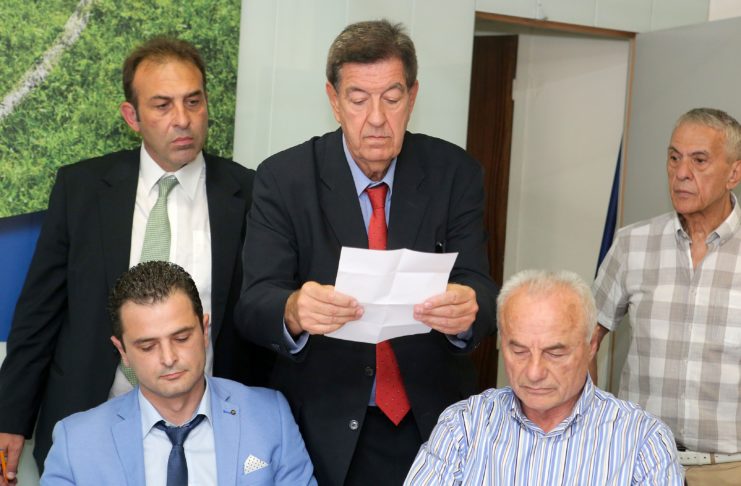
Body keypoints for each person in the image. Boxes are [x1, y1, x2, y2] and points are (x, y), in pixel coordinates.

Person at [236, 19, 498, 486]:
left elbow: (482, 288)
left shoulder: (454, 173)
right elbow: (254, 303)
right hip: (323, 423)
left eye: (391, 98)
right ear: (334, 101)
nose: (376, 118)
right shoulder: (284, 179)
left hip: (433, 424)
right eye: (358, 99)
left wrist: (468, 308)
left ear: (412, 97)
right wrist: (294, 309)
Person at [0, 36, 270, 482]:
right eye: (162, 105)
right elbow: (39, 314)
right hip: (90, 421)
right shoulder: (81, 189)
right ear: (132, 116)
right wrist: (10, 417)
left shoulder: (251, 193)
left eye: (193, 101)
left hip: (211, 432)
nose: (182, 119)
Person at [40, 261, 315, 485]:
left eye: (181, 338)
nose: (169, 358)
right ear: (122, 351)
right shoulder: (76, 442)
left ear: (204, 331)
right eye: (147, 346)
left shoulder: (270, 415)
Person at [405, 269, 683, 485]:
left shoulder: (643, 440)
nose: (534, 372)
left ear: (591, 345)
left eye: (555, 353)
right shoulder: (463, 427)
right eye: (519, 351)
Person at [592, 108, 741, 485]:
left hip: (730, 469)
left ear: (734, 173)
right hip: (640, 460)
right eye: (674, 158)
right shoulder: (632, 244)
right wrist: (592, 424)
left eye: (699, 160)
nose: (681, 173)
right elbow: (584, 340)